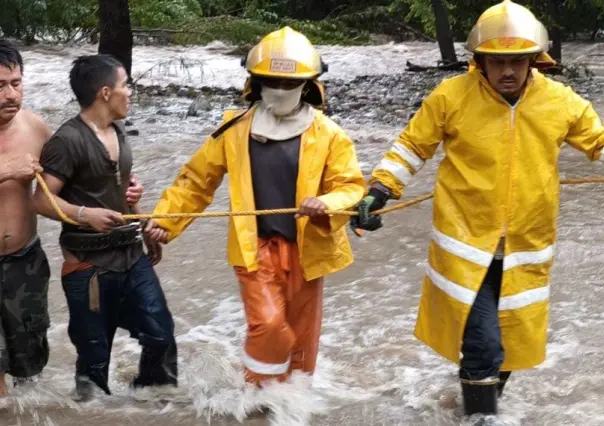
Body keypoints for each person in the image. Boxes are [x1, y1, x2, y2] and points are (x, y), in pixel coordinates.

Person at [351, 0, 604, 419]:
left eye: (517, 62)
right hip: (464, 244)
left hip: (526, 248)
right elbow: (413, 147)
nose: (508, 71)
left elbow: (597, 140)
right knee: (485, 344)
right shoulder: (451, 97)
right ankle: (480, 416)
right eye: (497, 61)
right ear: (480, 61)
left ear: (534, 61)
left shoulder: (562, 102)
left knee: (506, 348)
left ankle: (471, 408)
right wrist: (379, 189)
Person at [145, 26, 366, 388]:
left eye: (288, 84)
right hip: (256, 249)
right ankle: (257, 395)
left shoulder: (329, 134)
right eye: (271, 82)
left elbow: (351, 188)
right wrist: (165, 221)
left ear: (308, 86)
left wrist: (324, 203)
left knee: (301, 335)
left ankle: (293, 403)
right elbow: (196, 180)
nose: (279, 90)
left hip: (307, 249)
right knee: (269, 324)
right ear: (255, 83)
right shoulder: (233, 130)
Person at [33, 54, 176, 401]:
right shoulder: (67, 141)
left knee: (161, 335)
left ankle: (151, 405)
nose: (130, 93)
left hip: (132, 256)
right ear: (105, 92)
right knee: (94, 358)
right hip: (89, 267)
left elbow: (123, 189)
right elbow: (40, 200)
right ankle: (90, 415)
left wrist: (142, 221)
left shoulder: (117, 129)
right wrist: (86, 215)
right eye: (126, 85)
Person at [0, 39, 56, 396]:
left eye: (16, 84)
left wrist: (124, 191)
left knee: (30, 364)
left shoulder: (36, 129)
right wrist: (7, 168)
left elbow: (68, 186)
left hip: (25, 263)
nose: (10, 95)